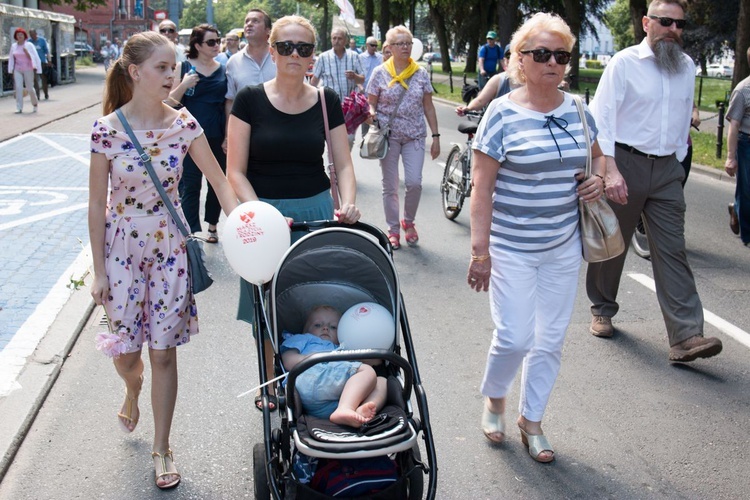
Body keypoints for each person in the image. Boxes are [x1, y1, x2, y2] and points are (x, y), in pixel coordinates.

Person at [88, 31, 238, 489]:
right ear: (135, 72)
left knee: (164, 354)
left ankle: (162, 447)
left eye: (173, 66)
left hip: (170, 249)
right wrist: (97, 270)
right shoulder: (106, 130)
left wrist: (244, 228)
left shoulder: (184, 124)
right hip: (121, 253)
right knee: (128, 353)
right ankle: (131, 388)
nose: (172, 74)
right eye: (163, 67)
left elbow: (219, 180)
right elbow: (96, 205)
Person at [468, 12, 606, 463]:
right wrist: (479, 251)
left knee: (549, 339)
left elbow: (600, 159)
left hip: (562, 246)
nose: (552, 63)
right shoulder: (501, 112)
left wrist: (598, 180)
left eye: (560, 55)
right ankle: (495, 398)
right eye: (541, 54)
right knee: (514, 337)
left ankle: (533, 420)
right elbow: (482, 188)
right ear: (519, 60)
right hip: (510, 247)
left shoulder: (580, 110)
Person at [226, 15, 361, 412]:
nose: (294, 54)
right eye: (286, 46)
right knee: (266, 304)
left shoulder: (325, 100)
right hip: (262, 217)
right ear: (272, 50)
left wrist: (348, 202)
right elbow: (234, 170)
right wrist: (260, 212)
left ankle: (315, 375)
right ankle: (269, 380)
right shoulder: (250, 99)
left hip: (315, 210)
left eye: (303, 48)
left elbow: (344, 164)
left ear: (312, 57)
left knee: (312, 301)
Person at [586, 0, 723, 362]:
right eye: (665, 22)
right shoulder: (624, 63)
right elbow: (602, 120)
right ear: (647, 23)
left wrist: (677, 162)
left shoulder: (687, 66)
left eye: (680, 25)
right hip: (625, 163)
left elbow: (680, 117)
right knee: (613, 241)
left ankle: (686, 336)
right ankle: (601, 307)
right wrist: (610, 170)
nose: (673, 31)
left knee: (672, 250)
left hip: (666, 171)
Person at [365, 26, 439, 250]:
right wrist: (371, 113)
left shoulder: (421, 73)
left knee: (415, 183)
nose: (406, 47)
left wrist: (435, 136)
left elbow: (428, 106)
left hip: (414, 135)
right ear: (389, 48)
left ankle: (409, 221)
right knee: (390, 186)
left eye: (408, 42)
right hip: (388, 137)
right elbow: (370, 102)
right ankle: (393, 230)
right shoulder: (380, 73)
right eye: (400, 43)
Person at [281, 305, 387, 427]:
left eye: (333, 327)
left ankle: (360, 411)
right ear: (305, 330)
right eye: (317, 325)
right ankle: (345, 408)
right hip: (311, 376)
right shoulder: (304, 339)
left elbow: (375, 361)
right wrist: (307, 358)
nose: (325, 328)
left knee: (382, 382)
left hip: (328, 405)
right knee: (367, 371)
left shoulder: (343, 346)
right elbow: (288, 360)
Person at [169, 24, 228, 243]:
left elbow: (227, 103)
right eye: (211, 42)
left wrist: (227, 136)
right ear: (197, 45)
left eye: (217, 41)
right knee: (191, 185)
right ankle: (191, 231)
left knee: (218, 182)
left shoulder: (224, 68)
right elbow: (169, 103)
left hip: (216, 134)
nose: (216, 46)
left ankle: (213, 225)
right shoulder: (183, 67)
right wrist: (183, 85)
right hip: (189, 138)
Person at [224, 9, 277, 150]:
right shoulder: (233, 62)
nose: (249, 24)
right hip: (245, 134)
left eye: (255, 21)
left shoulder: (281, 58)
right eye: (247, 21)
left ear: (268, 31)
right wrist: (228, 135)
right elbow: (230, 101)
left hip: (280, 129)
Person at [310, 27, 365, 149]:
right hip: (330, 106)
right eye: (334, 38)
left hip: (349, 107)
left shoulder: (354, 56)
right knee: (331, 139)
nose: (337, 41)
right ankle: (336, 164)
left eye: (340, 38)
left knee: (349, 139)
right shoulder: (323, 58)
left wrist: (355, 76)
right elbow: (314, 81)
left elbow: (362, 79)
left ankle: (343, 162)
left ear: (345, 40)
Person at [725, 46, 750, 246]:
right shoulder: (742, 90)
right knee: (747, 189)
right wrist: (730, 156)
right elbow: (733, 125)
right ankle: (748, 236)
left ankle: (736, 209)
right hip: (746, 144)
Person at [456, 43, 514, 116]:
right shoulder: (499, 80)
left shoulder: (530, 81)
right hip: (485, 73)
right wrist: (468, 108)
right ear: (506, 60)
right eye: (508, 56)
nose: (512, 59)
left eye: (516, 56)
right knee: (483, 88)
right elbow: (480, 100)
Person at [9, 28, 41, 114]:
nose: (19, 36)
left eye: (21, 35)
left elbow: (34, 57)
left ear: (24, 36)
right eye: (18, 35)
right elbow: (12, 59)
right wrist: (11, 70)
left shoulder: (29, 45)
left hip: (28, 68)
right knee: (18, 88)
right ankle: (19, 107)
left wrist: (27, 53)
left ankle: (34, 104)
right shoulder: (13, 46)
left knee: (29, 88)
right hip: (17, 69)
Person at [359, 36, 383, 135]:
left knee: (377, 119)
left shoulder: (380, 58)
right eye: (372, 45)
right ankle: (364, 142)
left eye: (376, 46)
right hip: (364, 94)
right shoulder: (360, 57)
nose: (374, 47)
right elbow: (357, 74)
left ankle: (378, 142)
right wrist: (359, 85)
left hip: (378, 94)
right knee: (365, 118)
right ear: (367, 45)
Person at [29, 29, 50, 101]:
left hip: (42, 62)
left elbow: (47, 51)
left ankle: (46, 93)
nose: (32, 36)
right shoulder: (29, 42)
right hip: (33, 63)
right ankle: (37, 95)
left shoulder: (42, 41)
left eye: (33, 34)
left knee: (43, 78)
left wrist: (49, 60)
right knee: (35, 79)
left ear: (36, 34)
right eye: (31, 35)